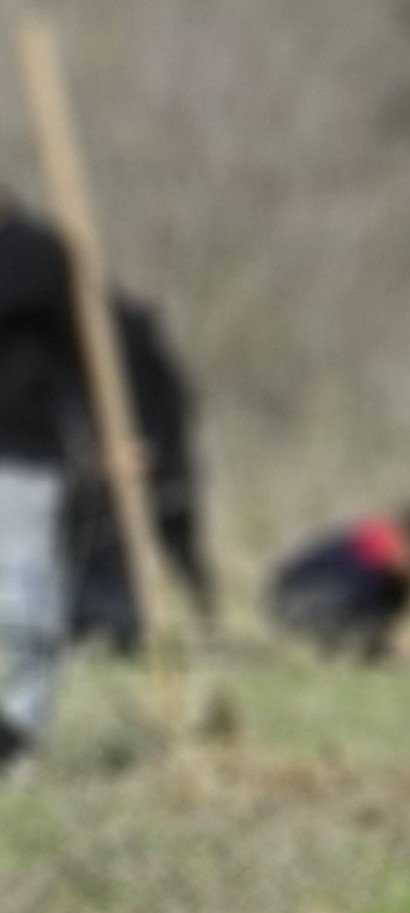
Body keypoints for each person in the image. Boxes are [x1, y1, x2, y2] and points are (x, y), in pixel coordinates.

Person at [0, 200, 204, 761]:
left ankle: (20, 729)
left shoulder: (38, 255)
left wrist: (110, 442)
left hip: (23, 454)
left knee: (22, 601)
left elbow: (90, 352)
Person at [261, 505, 410, 659]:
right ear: (405, 542)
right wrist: (388, 634)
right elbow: (347, 603)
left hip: (341, 606)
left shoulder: (400, 558)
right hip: (297, 602)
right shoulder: (366, 554)